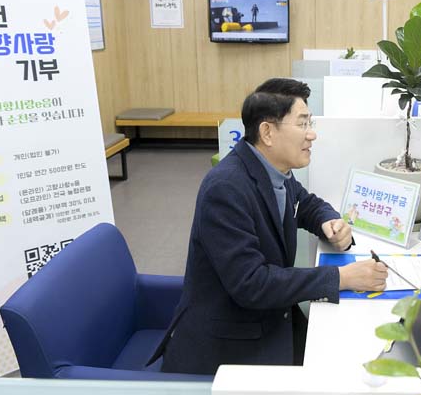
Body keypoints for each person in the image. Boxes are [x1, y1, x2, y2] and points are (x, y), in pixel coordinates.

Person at [154, 78, 388, 375]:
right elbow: (252, 284)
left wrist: (328, 220)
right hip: (231, 343)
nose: (312, 134)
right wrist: (339, 277)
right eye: (302, 124)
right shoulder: (225, 189)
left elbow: (304, 202)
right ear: (267, 132)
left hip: (270, 318)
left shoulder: (272, 169)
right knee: (340, 371)